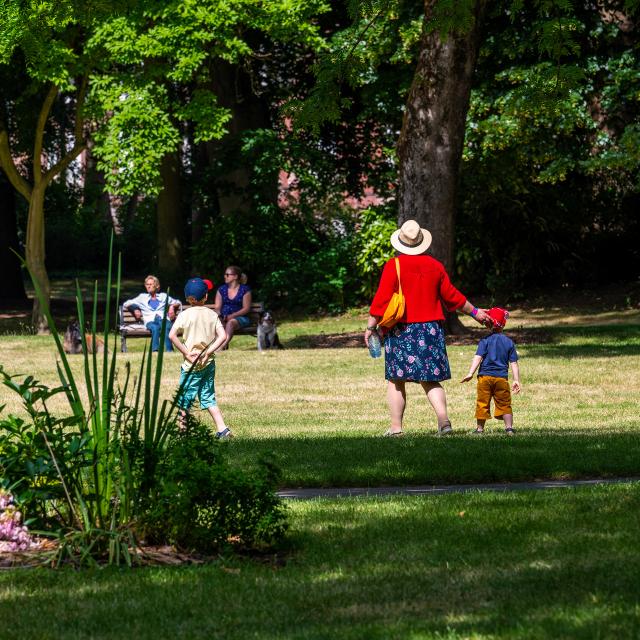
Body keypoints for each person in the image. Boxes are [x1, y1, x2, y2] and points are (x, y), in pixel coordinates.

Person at [365, 219, 491, 436]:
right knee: (430, 379)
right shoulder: (435, 266)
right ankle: (444, 423)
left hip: (401, 330)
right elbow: (452, 296)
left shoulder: (393, 266)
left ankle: (396, 429)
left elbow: (382, 300)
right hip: (430, 330)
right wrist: (475, 312)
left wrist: (370, 327)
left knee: (396, 380)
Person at [169, 277, 232, 438]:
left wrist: (186, 353)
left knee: (185, 402)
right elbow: (223, 336)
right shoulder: (212, 314)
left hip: (190, 366)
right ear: (205, 297)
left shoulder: (184, 315)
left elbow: (172, 335)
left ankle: (183, 435)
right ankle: (222, 429)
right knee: (209, 397)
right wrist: (208, 352)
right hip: (208, 364)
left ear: (187, 298)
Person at [460, 307, 521, 435]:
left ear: (488, 324)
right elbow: (514, 363)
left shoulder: (485, 341)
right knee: (505, 403)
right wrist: (516, 380)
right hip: (501, 379)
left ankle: (480, 429)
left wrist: (471, 373)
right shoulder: (509, 342)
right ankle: (509, 428)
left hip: (484, 379)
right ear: (503, 324)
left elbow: (478, 357)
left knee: (482, 403)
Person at [122, 275, 181, 352]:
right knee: (155, 328)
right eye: (147, 284)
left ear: (156, 286)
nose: (148, 286)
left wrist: (172, 307)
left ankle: (169, 350)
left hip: (163, 319)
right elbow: (126, 303)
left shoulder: (163, 296)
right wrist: (135, 309)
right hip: (150, 321)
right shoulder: (142, 297)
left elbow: (178, 302)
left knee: (166, 327)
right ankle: (155, 351)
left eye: (151, 284)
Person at [213, 265, 252, 350]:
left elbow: (246, 308)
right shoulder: (221, 290)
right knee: (218, 322)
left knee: (231, 323)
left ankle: (221, 347)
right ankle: (219, 346)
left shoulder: (245, 290)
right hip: (225, 317)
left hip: (241, 318)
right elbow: (217, 307)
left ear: (235, 276)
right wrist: (220, 316)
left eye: (227, 274)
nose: (225, 276)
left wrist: (233, 316)